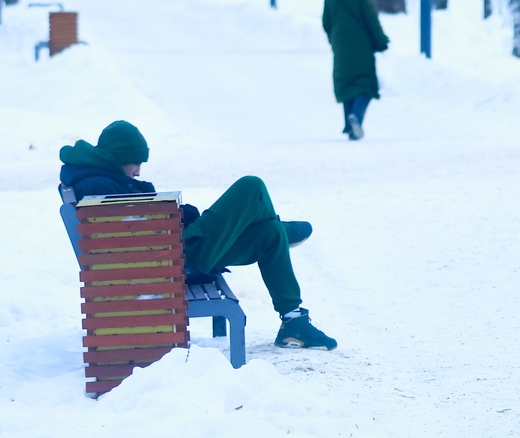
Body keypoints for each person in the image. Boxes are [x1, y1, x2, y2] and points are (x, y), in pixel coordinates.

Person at [58, 120, 339, 350]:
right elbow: (140, 229)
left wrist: (180, 213)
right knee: (251, 187)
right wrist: (176, 214)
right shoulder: (97, 186)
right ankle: (282, 228)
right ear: (118, 157)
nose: (139, 171)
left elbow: (139, 225)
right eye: (135, 163)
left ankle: (293, 321)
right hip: (175, 262)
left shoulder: (97, 181)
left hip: (168, 258)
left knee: (270, 234)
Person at [323, 0, 390, 140]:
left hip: (340, 46)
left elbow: (326, 22)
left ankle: (349, 123)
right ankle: (356, 117)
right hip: (362, 46)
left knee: (346, 83)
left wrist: (334, 40)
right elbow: (371, 19)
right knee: (365, 83)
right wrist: (381, 40)